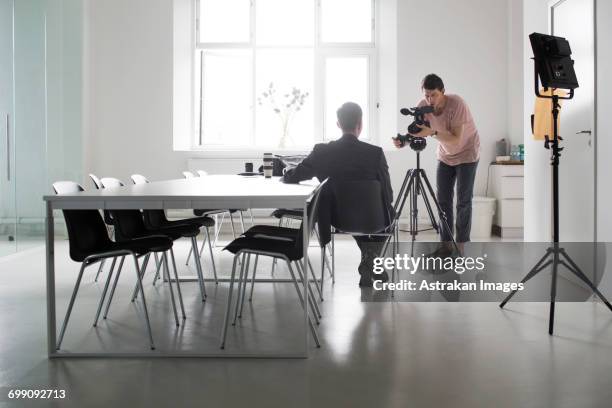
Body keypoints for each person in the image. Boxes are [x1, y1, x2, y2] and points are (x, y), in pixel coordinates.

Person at [283, 102, 393, 287]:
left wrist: (286, 170)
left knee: (353, 212)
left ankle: (369, 258)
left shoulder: (322, 152)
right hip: (373, 218)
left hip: (337, 218)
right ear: (360, 124)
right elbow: (387, 193)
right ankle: (372, 258)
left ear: (338, 124)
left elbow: (295, 176)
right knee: (390, 214)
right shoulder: (375, 153)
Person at [394, 74, 480, 254]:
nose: (429, 99)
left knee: (463, 202)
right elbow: (418, 131)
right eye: (426, 95)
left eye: (433, 95)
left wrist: (432, 133)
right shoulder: (423, 106)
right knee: (443, 201)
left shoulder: (457, 104)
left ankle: (462, 246)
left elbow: (456, 139)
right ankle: (446, 246)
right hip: (445, 155)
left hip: (467, 153)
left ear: (443, 92)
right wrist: (405, 141)